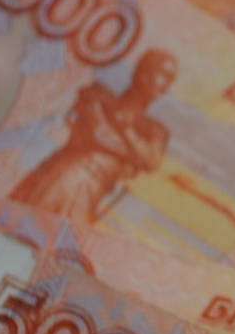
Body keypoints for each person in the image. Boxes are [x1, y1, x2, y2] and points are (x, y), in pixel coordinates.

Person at [10, 50, 177, 223]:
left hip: (93, 192)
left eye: (171, 79)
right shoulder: (96, 95)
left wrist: (126, 130)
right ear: (143, 73)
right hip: (65, 176)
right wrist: (132, 154)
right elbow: (98, 135)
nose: (166, 86)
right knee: (24, 223)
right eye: (165, 75)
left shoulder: (157, 131)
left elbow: (150, 160)